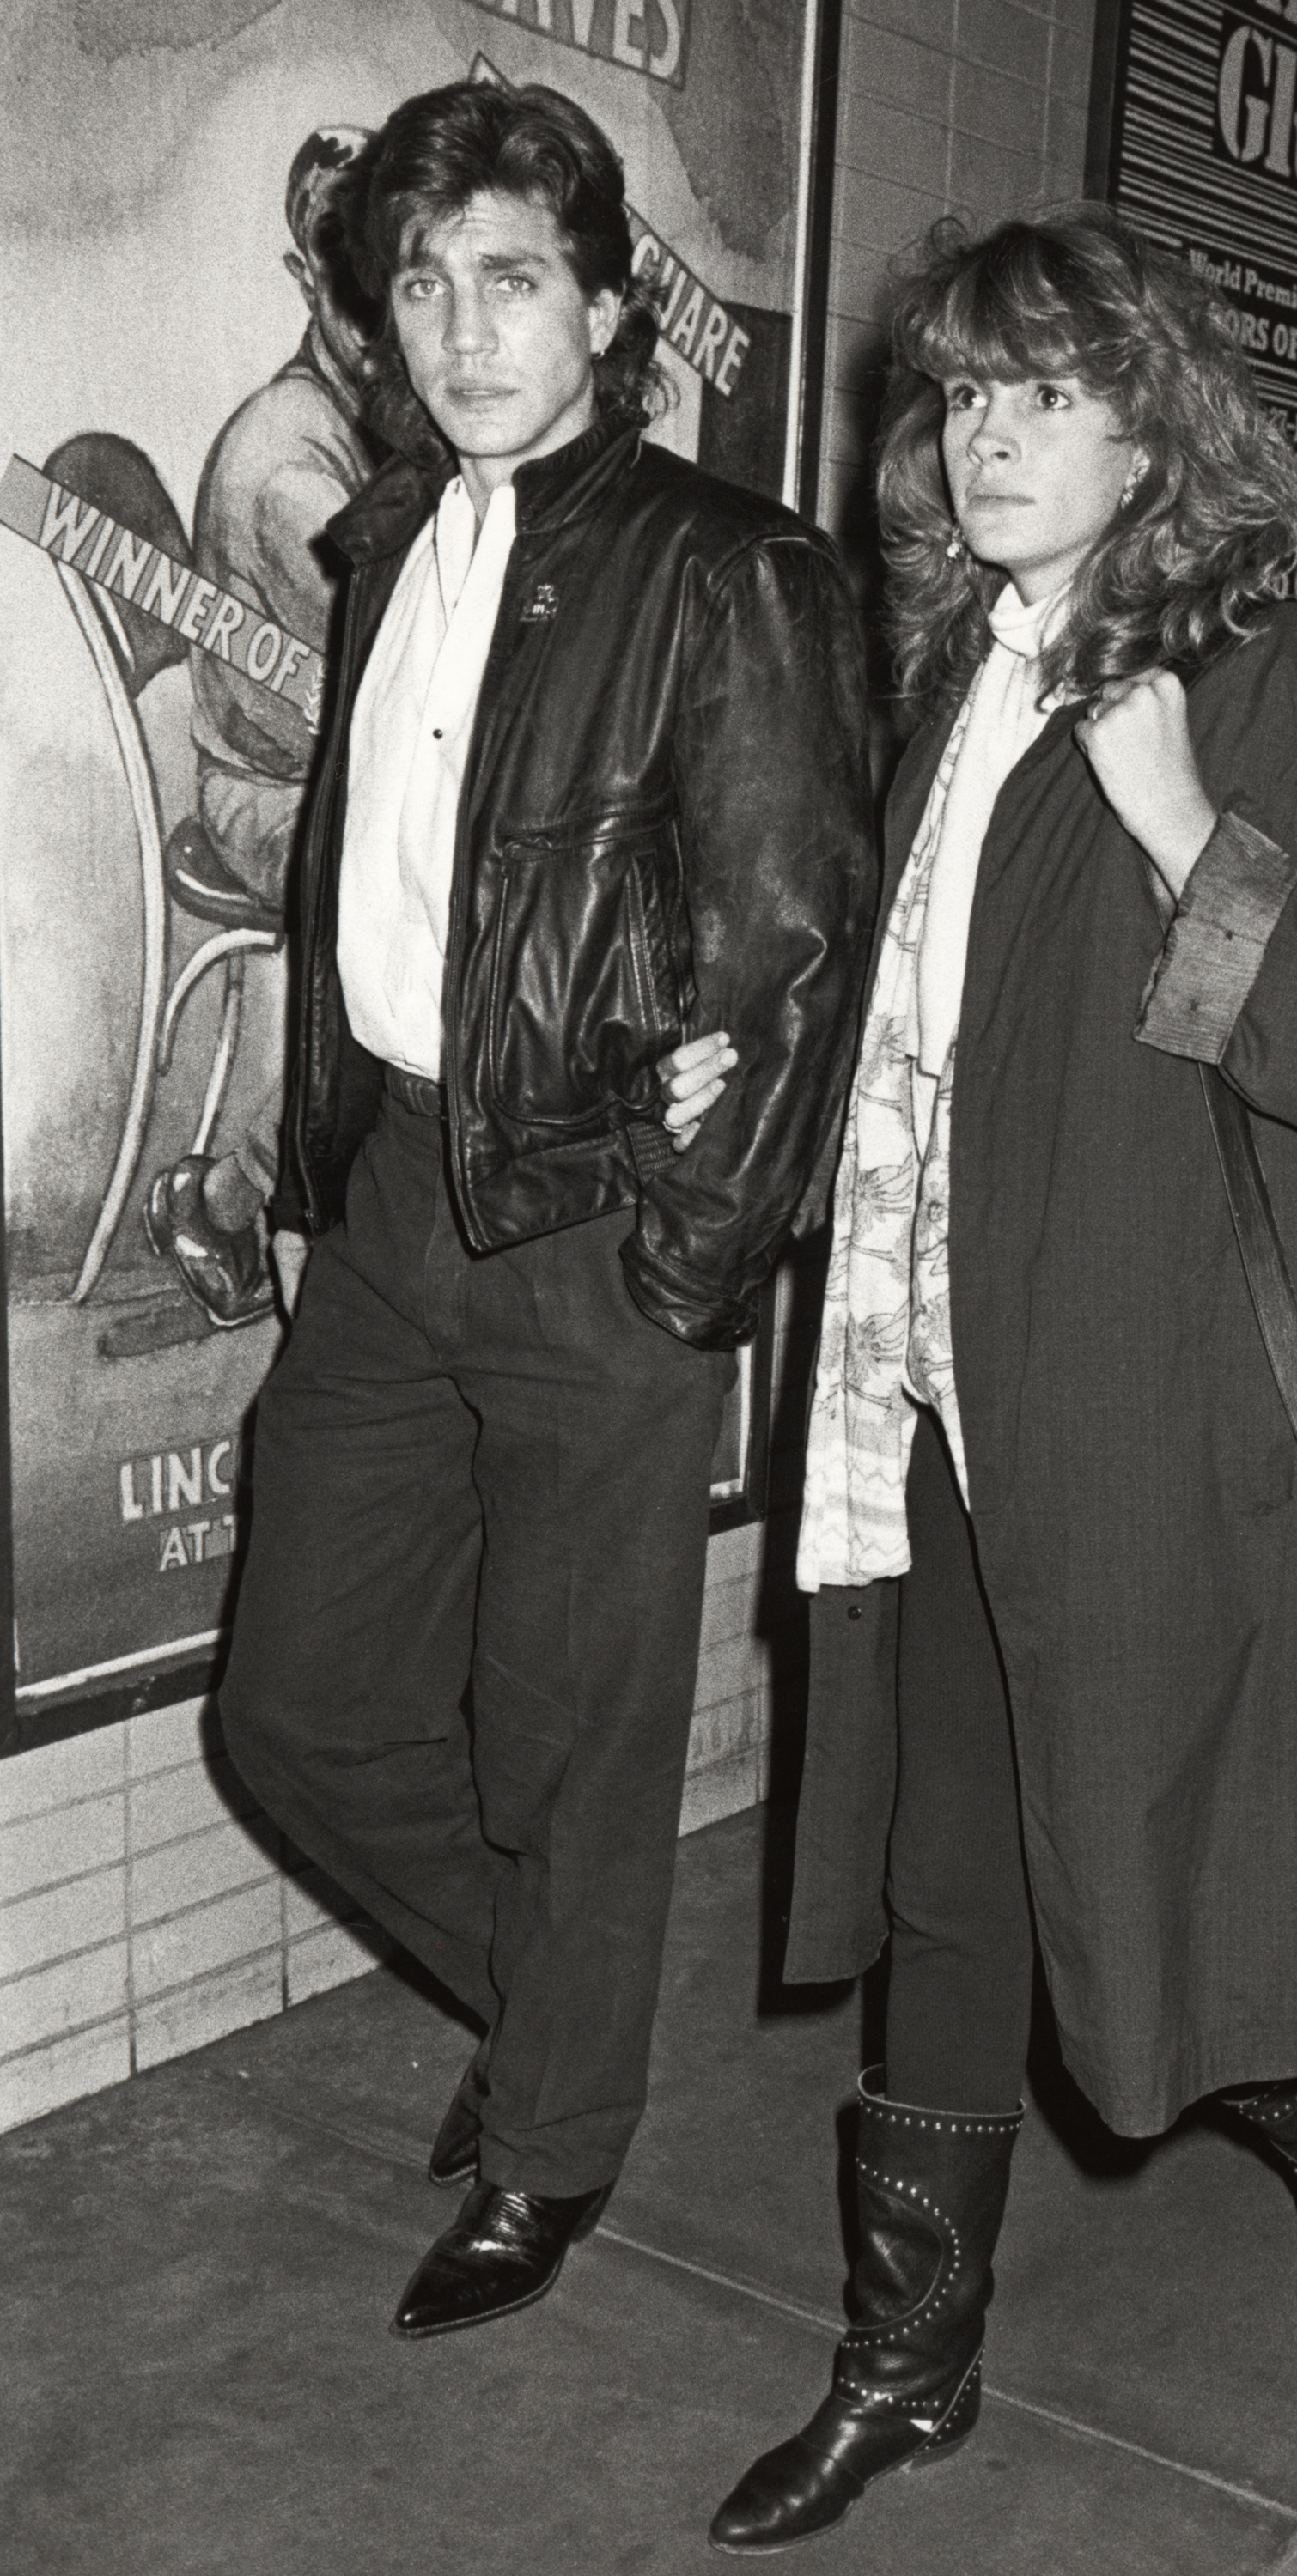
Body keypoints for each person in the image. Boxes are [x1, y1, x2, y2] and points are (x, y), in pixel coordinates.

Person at [695, 208, 1297, 2554]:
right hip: (933, 1412)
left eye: (1047, 391)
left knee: (1165, 1908)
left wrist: (1180, 831)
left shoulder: (1289, 698)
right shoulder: (939, 681)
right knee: (957, 1896)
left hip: (1160, 1440)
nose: (989, 436)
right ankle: (900, 2369)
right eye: (962, 394)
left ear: (1158, 424)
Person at [217, 80, 873, 2342]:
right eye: (421, 282)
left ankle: (555, 2145)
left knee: (567, 1728)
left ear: (605, 302)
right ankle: (555, 2010)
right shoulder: (391, 534)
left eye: (510, 276)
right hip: (406, 1184)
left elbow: (789, 961)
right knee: (294, 1702)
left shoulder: (726, 568)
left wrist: (678, 1259)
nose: (462, 324)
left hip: (599, 1221)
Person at [144, 125, 380, 1330]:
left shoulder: (361, 419)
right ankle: (232, 1203)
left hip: (326, 778)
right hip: (268, 798)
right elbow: (405, 688)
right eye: (351, 277)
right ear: (304, 280)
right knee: (415, 923)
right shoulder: (293, 467)